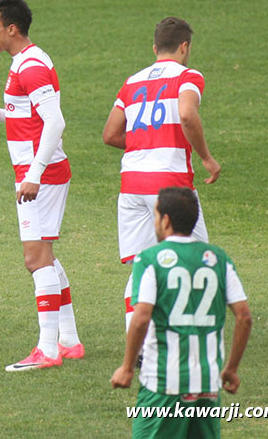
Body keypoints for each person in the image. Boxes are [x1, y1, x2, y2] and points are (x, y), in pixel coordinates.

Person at [0, 0, 83, 371]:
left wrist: (34, 175)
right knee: (45, 256)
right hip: (38, 172)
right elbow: (32, 118)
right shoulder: (25, 62)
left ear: (11, 28)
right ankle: (68, 341)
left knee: (35, 259)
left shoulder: (31, 66)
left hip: (41, 175)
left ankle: (47, 350)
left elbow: (56, 123)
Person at [102, 17, 221, 332]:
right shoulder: (188, 77)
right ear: (184, 47)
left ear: (155, 47)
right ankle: (192, 331)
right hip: (169, 185)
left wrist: (145, 141)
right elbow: (186, 113)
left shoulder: (132, 82)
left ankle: (138, 343)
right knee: (196, 258)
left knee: (141, 264)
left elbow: (111, 134)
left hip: (131, 185)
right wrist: (206, 158)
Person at [111, 187, 252, 438]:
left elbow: (141, 317)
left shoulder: (149, 259)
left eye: (155, 216)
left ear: (165, 220)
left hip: (163, 383)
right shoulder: (219, 259)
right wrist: (230, 368)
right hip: (208, 384)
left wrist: (127, 367)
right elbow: (244, 317)